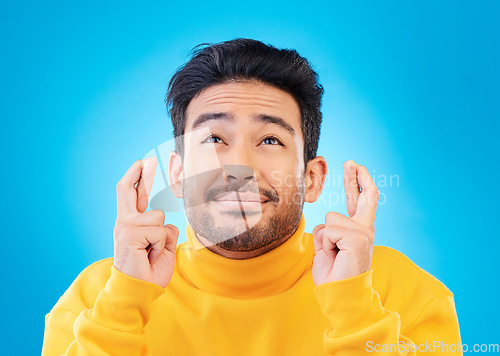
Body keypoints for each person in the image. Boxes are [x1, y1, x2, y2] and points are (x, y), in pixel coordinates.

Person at [42, 39, 461, 355]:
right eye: (213, 138)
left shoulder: (407, 296)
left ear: (312, 179)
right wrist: (125, 302)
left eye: (270, 139)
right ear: (178, 173)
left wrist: (352, 307)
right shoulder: (94, 301)